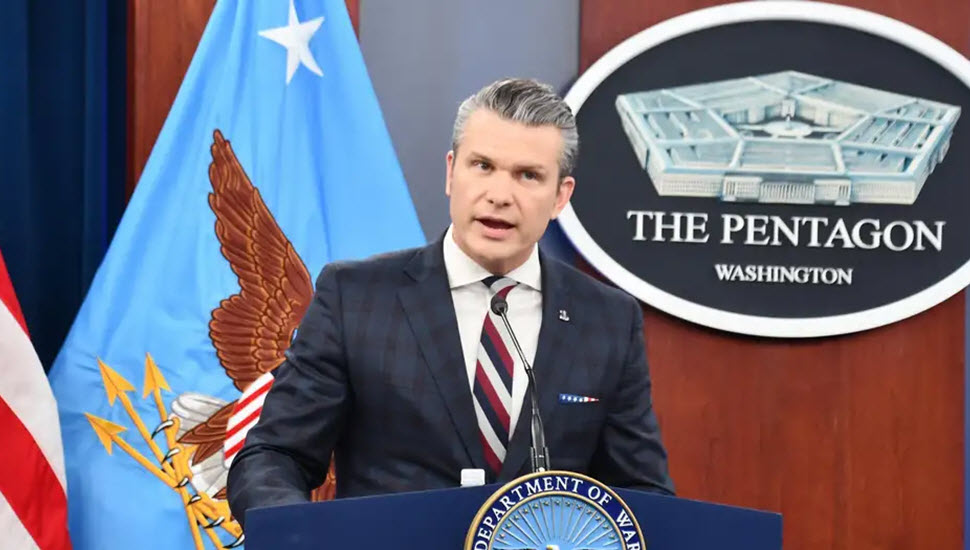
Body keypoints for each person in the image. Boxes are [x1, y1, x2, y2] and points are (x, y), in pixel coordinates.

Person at [227, 78, 674, 526]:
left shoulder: (608, 320)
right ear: (450, 172)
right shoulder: (355, 297)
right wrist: (299, 536)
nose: (499, 195)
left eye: (528, 176)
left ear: (560, 196)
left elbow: (642, 493)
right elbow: (275, 455)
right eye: (482, 166)